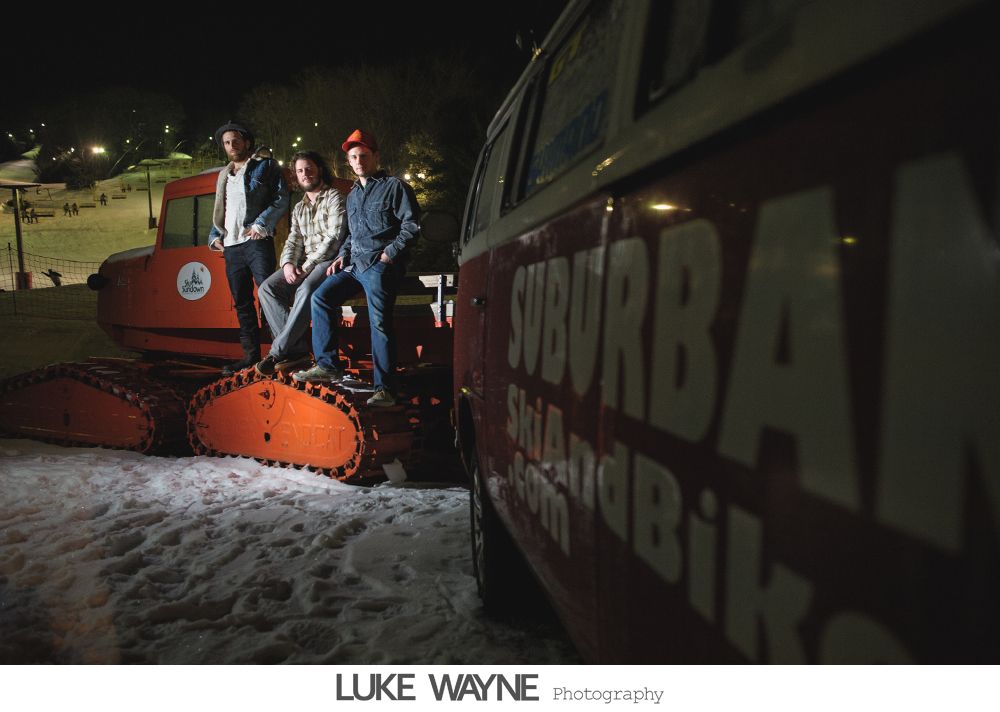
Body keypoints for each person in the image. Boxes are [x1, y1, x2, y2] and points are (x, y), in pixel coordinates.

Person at [293, 129, 420, 407]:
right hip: (354, 264)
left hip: (379, 267)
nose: (359, 161)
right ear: (348, 161)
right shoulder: (352, 195)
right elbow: (352, 234)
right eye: (353, 157)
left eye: (363, 155)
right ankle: (328, 365)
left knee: (379, 324)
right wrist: (343, 255)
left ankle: (385, 389)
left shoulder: (394, 187)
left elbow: (411, 226)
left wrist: (389, 255)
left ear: (375, 156)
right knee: (321, 297)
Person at [207, 120, 290, 376]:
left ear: (246, 142)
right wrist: (214, 236)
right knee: (242, 302)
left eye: (235, 141)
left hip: (256, 241)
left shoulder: (264, 167)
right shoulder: (224, 174)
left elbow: (281, 198)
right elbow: (222, 209)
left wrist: (260, 224)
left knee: (269, 295)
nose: (231, 146)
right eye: (226, 143)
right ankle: (251, 356)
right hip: (231, 247)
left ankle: (284, 351)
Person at [254, 151, 346, 376]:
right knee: (267, 288)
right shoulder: (299, 208)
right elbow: (294, 240)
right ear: (296, 176)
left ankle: (277, 352)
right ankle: (295, 350)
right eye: (300, 171)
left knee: (306, 288)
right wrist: (287, 264)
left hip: (329, 261)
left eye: (309, 168)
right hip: (306, 263)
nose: (305, 174)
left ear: (320, 170)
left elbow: (334, 238)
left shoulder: (335, 197)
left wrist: (305, 269)